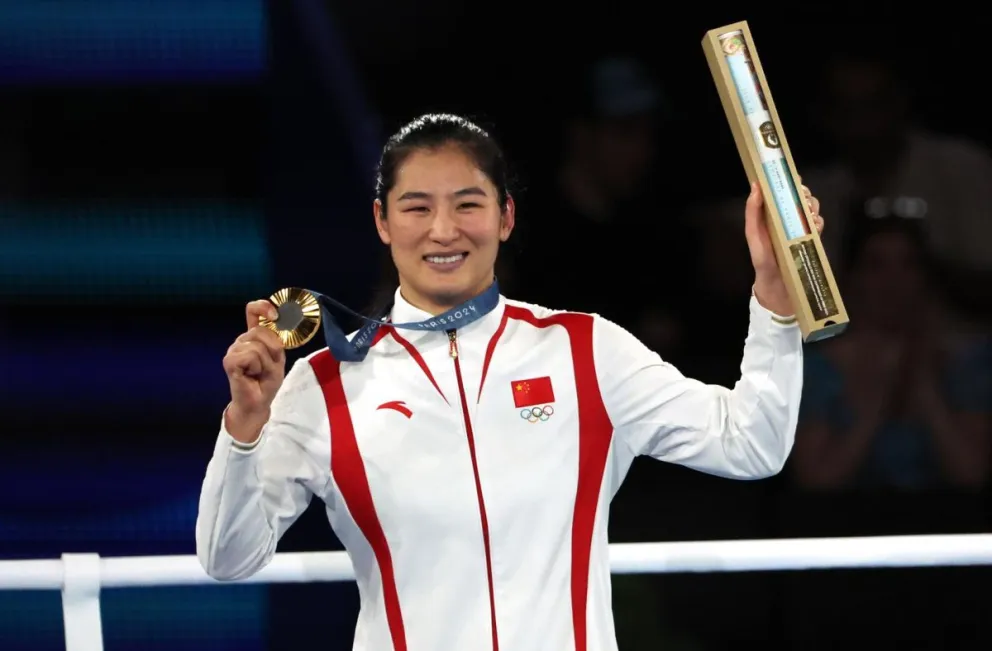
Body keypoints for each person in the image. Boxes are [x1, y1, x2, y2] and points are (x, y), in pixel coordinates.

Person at [195, 113, 824, 651]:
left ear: (506, 216)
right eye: (417, 207)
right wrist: (246, 429)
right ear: (383, 222)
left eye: (468, 203)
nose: (443, 230)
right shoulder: (326, 383)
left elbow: (752, 443)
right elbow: (228, 559)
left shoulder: (585, 351)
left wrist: (774, 295)